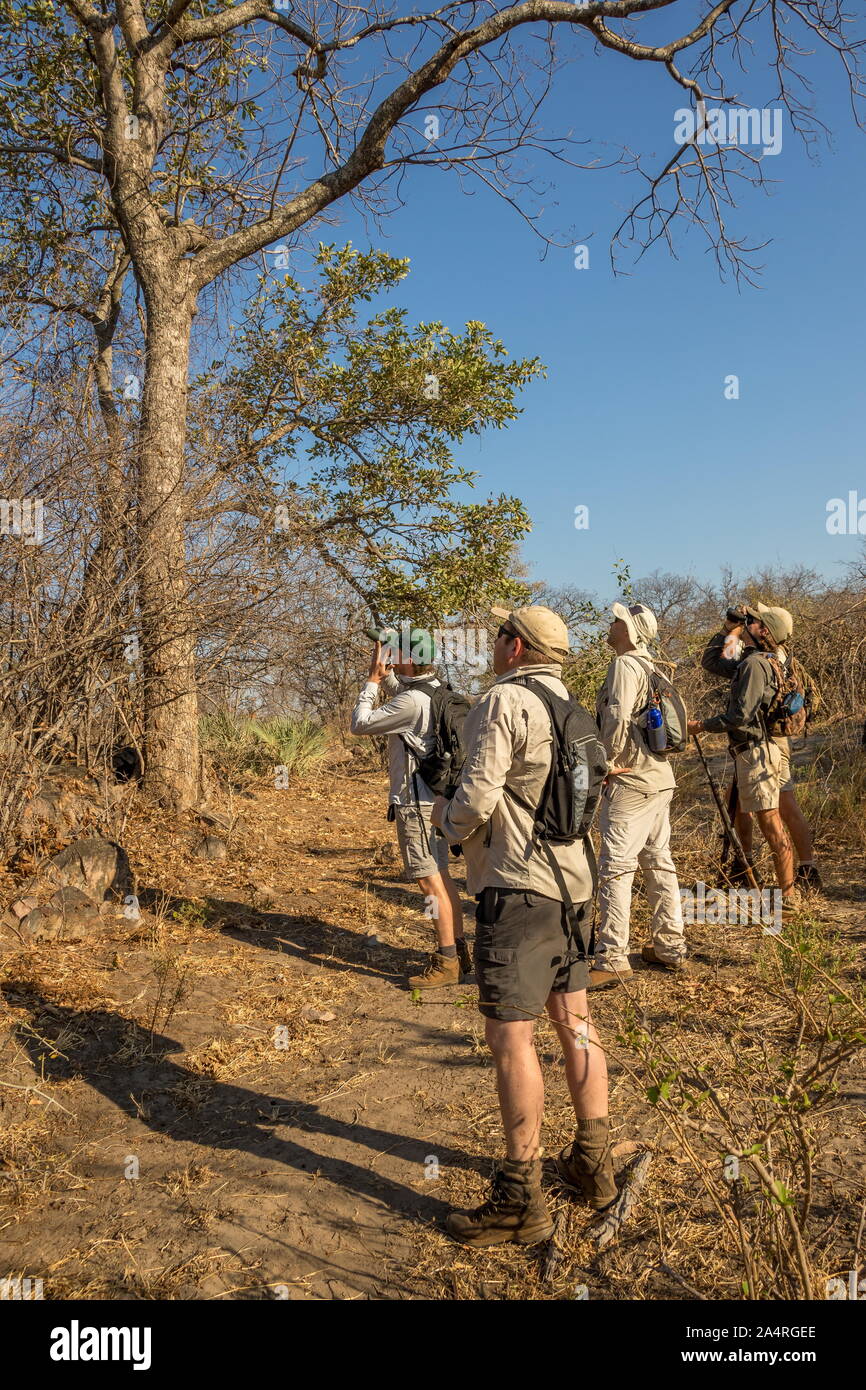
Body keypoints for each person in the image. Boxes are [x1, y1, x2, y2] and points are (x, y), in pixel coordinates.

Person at [432, 605, 615, 1247]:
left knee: (512, 1038)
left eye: (500, 635)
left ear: (516, 647)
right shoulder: (576, 711)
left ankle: (519, 1198)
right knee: (577, 1021)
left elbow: (478, 795)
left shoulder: (503, 702)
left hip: (518, 888)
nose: (492, 642)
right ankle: (594, 1162)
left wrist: (446, 829)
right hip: (575, 886)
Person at [350, 629, 471, 988]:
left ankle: (445, 959)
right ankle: (458, 951)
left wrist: (372, 682)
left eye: (394, 652)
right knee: (442, 877)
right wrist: (385, 675)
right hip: (437, 799)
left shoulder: (411, 702)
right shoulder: (436, 691)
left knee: (427, 881)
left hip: (415, 805)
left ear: (407, 659)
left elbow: (360, 724)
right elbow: (405, 698)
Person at [588, 602, 687, 990]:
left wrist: (605, 762)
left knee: (616, 866)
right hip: (659, 777)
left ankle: (612, 955)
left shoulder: (626, 665)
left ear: (629, 630)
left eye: (616, 620)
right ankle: (669, 945)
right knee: (658, 861)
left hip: (631, 780)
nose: (610, 625)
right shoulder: (655, 667)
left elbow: (617, 717)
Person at [701, 607, 820, 890]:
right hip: (763, 739)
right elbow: (717, 662)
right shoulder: (762, 655)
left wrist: (703, 725)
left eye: (753, 620)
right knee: (742, 799)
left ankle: (796, 876)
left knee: (777, 809)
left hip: (765, 740)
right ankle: (752, 864)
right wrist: (729, 628)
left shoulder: (760, 660)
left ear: (766, 629)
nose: (748, 622)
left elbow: (739, 705)